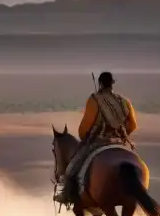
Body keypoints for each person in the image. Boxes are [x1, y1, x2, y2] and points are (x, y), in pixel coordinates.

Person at [57, 71, 138, 205]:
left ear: (100, 83)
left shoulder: (94, 100)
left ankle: (66, 194)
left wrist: (84, 137)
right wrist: (121, 135)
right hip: (119, 141)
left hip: (97, 141)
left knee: (72, 166)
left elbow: (85, 126)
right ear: (112, 84)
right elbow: (133, 125)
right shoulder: (125, 101)